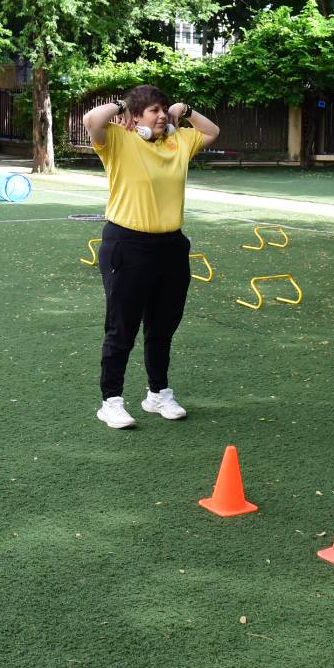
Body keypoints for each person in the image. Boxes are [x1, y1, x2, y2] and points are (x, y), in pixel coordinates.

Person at [82, 85, 220, 428]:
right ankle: (111, 401)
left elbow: (212, 132)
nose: (160, 115)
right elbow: (91, 119)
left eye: (162, 109)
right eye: (153, 110)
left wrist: (184, 110)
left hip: (171, 247)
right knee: (122, 328)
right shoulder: (119, 140)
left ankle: (158, 394)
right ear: (137, 117)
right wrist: (124, 106)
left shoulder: (179, 141)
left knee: (162, 327)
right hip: (127, 244)